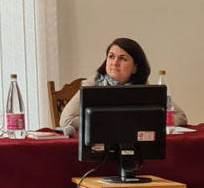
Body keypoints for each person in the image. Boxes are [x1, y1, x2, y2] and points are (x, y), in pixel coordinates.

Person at [59, 37, 188, 129]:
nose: (114, 62)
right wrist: (115, 123)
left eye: (123, 58)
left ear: (135, 67)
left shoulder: (144, 88)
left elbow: (180, 116)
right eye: (111, 56)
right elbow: (66, 120)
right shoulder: (92, 84)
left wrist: (147, 121)